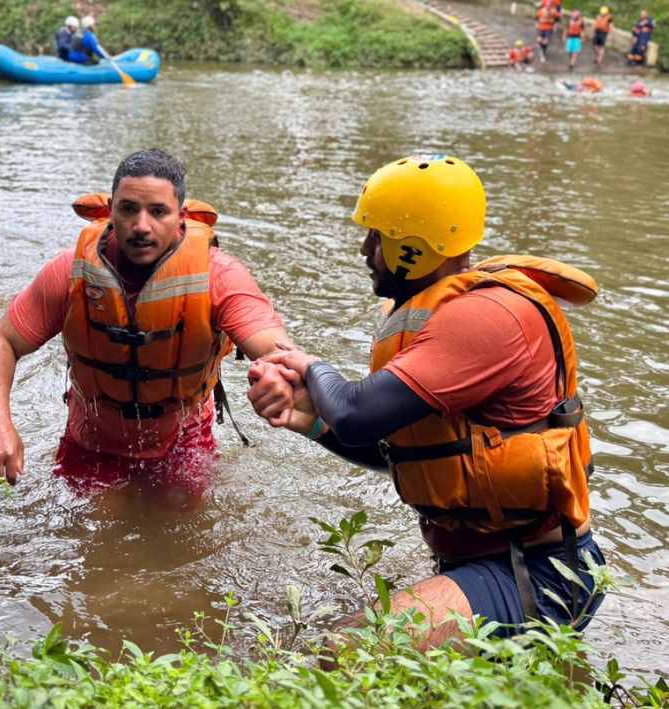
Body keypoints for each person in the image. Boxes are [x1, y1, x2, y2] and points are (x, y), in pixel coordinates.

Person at [247, 154, 605, 647]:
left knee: (348, 648)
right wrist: (312, 421)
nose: (364, 249)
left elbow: (354, 413)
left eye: (377, 237)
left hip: (539, 573)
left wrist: (311, 367)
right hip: (486, 563)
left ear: (415, 247)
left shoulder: (485, 318)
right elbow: (406, 454)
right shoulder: (436, 313)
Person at [0, 148, 291, 492]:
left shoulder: (218, 276)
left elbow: (277, 348)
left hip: (184, 441)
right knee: (88, 536)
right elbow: (1, 343)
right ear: (111, 210)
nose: (142, 226)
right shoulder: (70, 272)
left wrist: (281, 373)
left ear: (181, 215)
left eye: (158, 212)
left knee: (185, 535)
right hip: (91, 438)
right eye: (128, 209)